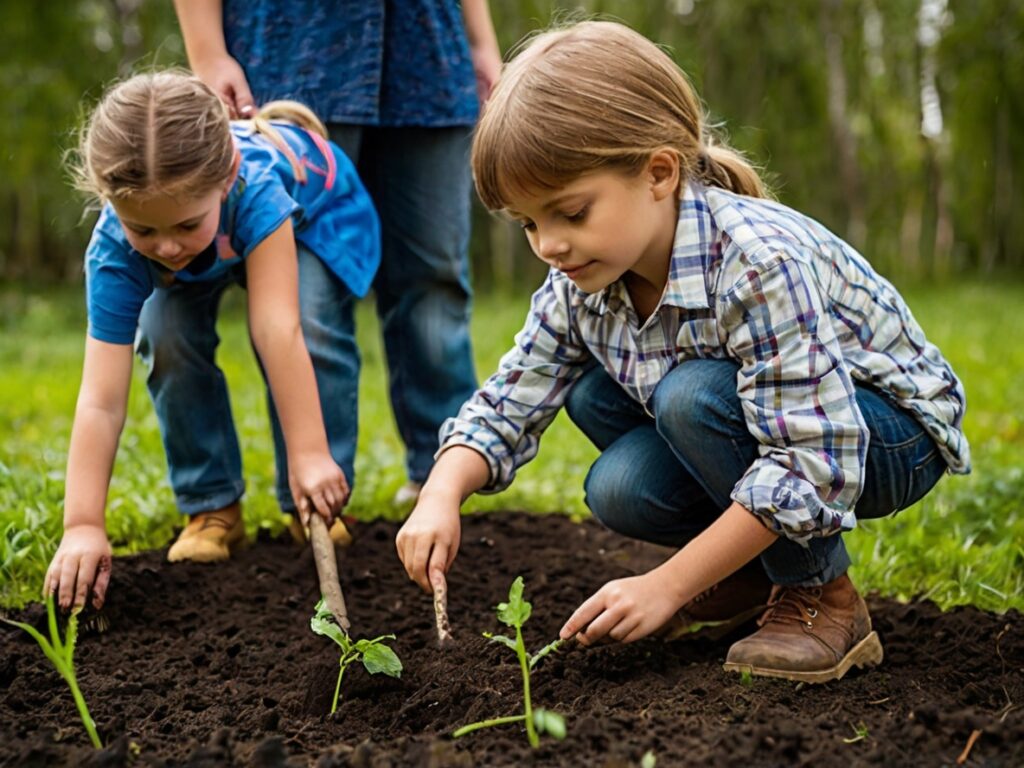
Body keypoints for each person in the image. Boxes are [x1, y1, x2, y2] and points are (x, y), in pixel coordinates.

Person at [396, 21, 970, 683]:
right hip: (784, 435)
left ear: (659, 173)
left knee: (689, 396)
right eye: (530, 224)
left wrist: (667, 584)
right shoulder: (580, 282)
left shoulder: (755, 264)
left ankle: (821, 599)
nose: (549, 245)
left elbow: (812, 460)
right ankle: (750, 574)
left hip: (884, 437)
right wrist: (441, 492)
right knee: (617, 474)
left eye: (571, 212)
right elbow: (510, 400)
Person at [45, 71, 380, 610]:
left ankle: (314, 500)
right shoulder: (115, 249)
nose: (167, 246)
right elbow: (100, 400)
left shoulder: (256, 188)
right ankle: (212, 506)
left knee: (314, 325)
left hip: (317, 214)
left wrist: (309, 452)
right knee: (166, 333)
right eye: (144, 230)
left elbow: (277, 327)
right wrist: (82, 523)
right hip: (221, 233)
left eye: (184, 224)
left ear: (225, 177)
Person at [173, 0, 503, 505]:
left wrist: (480, 43)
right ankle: (315, 503)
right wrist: (208, 52)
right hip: (291, 56)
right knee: (310, 303)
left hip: (428, 57)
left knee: (434, 277)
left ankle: (446, 480)